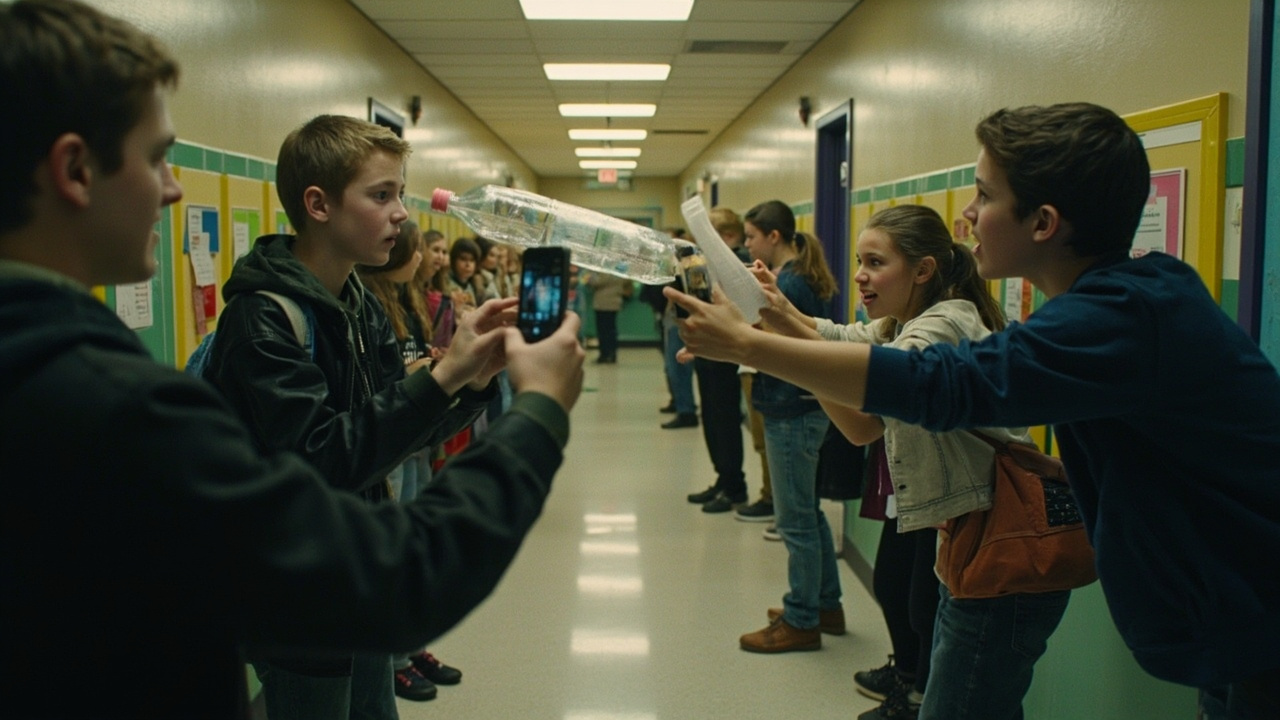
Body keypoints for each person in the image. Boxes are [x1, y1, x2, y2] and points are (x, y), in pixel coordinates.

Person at [0, 2, 585, 718]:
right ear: (75, 170)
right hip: (308, 636)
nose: (173, 188)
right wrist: (538, 411)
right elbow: (384, 563)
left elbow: (385, 431)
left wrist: (463, 378)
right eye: (155, 158)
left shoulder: (354, 305)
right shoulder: (111, 400)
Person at [667, 102, 1280, 719]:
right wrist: (772, 322)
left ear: (1043, 223)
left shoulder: (1117, 317)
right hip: (1237, 622)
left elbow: (941, 383)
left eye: (984, 195)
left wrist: (748, 346)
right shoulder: (1125, 299)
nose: (966, 213)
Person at [203, 114, 516, 720]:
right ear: (318, 205)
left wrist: (473, 383)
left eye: (401, 193)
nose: (401, 214)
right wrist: (441, 379)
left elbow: (397, 435)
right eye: (381, 195)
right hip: (297, 595)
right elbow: (322, 461)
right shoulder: (261, 320)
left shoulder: (357, 304)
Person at [759, 204, 1066, 719]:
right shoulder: (906, 322)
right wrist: (780, 312)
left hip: (1002, 548)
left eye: (876, 262)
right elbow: (843, 338)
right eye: (860, 261)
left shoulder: (939, 327)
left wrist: (765, 344)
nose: (860, 275)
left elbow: (863, 424)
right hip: (974, 537)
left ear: (923, 270)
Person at [355, 221, 462, 702]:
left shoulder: (407, 298)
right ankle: (393, 659)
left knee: (412, 547)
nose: (422, 259)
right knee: (393, 554)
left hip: (416, 439)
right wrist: (418, 372)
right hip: (392, 442)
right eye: (416, 250)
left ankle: (410, 645)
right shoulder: (369, 303)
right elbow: (381, 380)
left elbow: (411, 357)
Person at [733, 200, 845, 654]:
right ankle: (825, 604)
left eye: (751, 237)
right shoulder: (799, 275)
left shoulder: (792, 284)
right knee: (807, 511)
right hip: (802, 405)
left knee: (794, 520)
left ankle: (802, 619)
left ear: (774, 236)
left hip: (790, 409)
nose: (747, 244)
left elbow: (780, 344)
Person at [685, 209, 752, 514]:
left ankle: (734, 486)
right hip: (708, 348)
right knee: (711, 418)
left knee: (724, 420)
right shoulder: (709, 262)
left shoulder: (738, 264)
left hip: (726, 352)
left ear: (727, 236)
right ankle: (723, 479)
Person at [584, 270, 630, 364]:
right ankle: (612, 354)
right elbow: (626, 281)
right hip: (615, 301)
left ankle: (605, 354)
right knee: (611, 330)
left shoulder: (605, 270)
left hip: (603, 303)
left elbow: (596, 282)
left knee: (603, 330)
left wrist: (590, 276)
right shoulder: (619, 269)